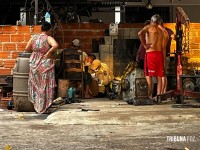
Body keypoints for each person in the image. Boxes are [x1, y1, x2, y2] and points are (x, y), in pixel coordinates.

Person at [25, 21, 59, 114]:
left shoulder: (34, 37)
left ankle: (37, 107)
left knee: (36, 85)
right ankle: (44, 107)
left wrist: (36, 51)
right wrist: (48, 53)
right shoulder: (48, 38)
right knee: (45, 85)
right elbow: (55, 45)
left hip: (34, 63)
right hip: (45, 64)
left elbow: (27, 48)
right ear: (49, 30)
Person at [138, 14, 168, 99]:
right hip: (160, 55)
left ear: (151, 21)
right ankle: (158, 96)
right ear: (159, 21)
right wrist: (164, 60)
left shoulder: (149, 27)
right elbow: (164, 47)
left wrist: (144, 45)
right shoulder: (163, 31)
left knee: (148, 76)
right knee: (159, 76)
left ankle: (150, 96)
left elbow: (139, 33)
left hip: (151, 54)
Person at [159, 20, 176, 94]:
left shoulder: (167, 31)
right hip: (159, 55)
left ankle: (163, 92)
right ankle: (162, 92)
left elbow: (174, 37)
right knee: (162, 74)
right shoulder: (161, 31)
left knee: (162, 74)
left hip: (164, 55)